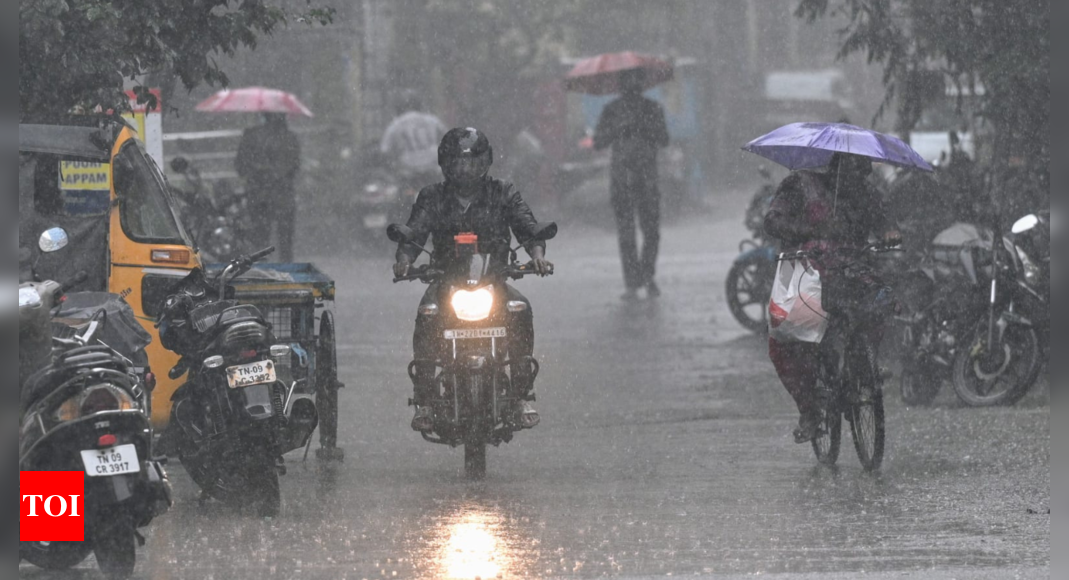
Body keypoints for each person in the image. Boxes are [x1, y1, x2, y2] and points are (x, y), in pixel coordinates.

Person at [393, 128, 553, 432]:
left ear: (486, 163)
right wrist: (403, 263)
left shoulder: (503, 192)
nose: (465, 170)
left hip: (494, 282)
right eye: (458, 163)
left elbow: (528, 228)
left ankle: (521, 395)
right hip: (445, 284)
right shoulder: (432, 196)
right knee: (427, 315)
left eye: (472, 163)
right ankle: (425, 399)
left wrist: (537, 255)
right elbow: (414, 234)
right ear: (445, 164)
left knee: (520, 308)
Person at [763, 153, 901, 443]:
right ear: (836, 166)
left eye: (862, 169)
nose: (859, 175)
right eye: (853, 167)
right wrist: (809, 232)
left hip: (854, 271)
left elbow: (885, 220)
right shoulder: (801, 186)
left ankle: (863, 370)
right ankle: (810, 410)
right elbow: (773, 220)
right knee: (788, 343)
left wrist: (889, 232)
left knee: (884, 301)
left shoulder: (867, 193)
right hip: (808, 273)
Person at [593, 68, 670, 300]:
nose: (632, 85)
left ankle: (647, 276)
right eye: (628, 80)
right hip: (622, 180)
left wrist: (644, 127)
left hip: (647, 179)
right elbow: (598, 141)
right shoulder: (612, 110)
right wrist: (619, 129)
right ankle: (632, 283)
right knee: (626, 235)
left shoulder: (652, 109)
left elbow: (664, 139)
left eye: (637, 80)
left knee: (651, 232)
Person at [235, 112, 301, 262]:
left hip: (258, 195)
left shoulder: (251, 136)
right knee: (285, 241)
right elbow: (295, 167)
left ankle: (261, 271)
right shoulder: (290, 138)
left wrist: (258, 171)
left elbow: (240, 166)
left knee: (259, 240)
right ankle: (285, 271)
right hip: (283, 195)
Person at [380, 90, 448, 190]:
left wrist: (393, 164)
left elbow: (385, 151)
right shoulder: (432, 120)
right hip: (432, 167)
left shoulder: (395, 124)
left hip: (408, 169)